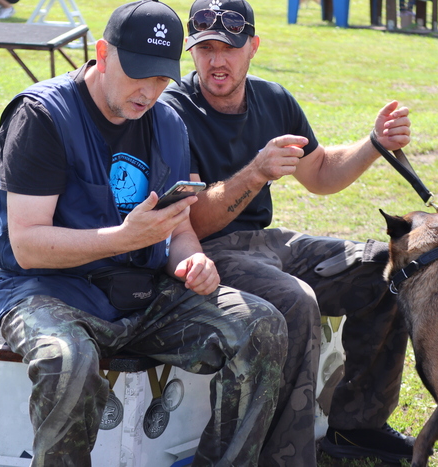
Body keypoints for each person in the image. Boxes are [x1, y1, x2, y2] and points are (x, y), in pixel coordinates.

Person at [0, 1, 289, 465]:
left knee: (261, 324)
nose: (148, 91)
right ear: (102, 53)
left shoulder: (168, 123)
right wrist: (123, 238)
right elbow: (27, 246)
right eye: (138, 74)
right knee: (66, 360)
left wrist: (192, 261)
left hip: (141, 295)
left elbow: (179, 228)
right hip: (50, 292)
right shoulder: (43, 116)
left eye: (161, 78)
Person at [160, 0, 415, 464]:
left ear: (253, 47)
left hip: (266, 243)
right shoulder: (172, 111)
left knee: (386, 266)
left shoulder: (273, 99)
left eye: (229, 48)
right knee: (294, 299)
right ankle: (284, 457)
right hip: (206, 252)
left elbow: (320, 173)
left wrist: (374, 143)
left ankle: (357, 427)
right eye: (206, 49)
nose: (217, 61)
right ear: (191, 51)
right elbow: (191, 224)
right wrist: (255, 173)